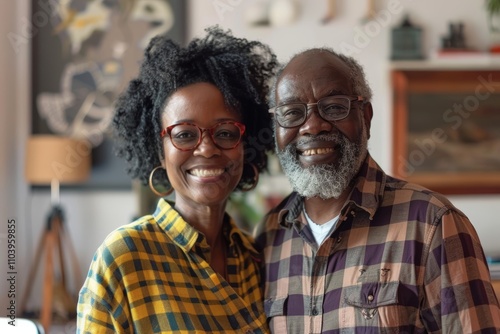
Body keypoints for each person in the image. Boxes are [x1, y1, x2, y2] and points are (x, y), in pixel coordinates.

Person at [255, 48, 500, 333]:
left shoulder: (434, 224)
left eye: (334, 107)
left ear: (365, 117)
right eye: (292, 112)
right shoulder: (268, 236)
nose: (312, 126)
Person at [77, 26, 278, 333]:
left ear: (245, 146)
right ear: (159, 152)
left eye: (225, 132)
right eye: (184, 134)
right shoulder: (124, 257)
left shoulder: (257, 258)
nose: (207, 148)